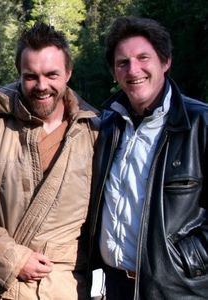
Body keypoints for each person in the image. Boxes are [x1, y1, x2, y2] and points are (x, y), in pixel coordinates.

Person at [0, 22, 99, 300]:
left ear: (68, 73)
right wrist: (13, 258)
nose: (42, 86)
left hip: (64, 288)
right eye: (31, 76)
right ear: (19, 75)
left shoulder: (94, 133)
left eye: (52, 74)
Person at [87, 16, 208, 299]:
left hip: (176, 288)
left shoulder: (200, 124)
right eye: (123, 63)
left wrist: (187, 259)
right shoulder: (107, 126)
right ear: (114, 71)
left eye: (143, 58)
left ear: (165, 62)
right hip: (116, 286)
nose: (133, 70)